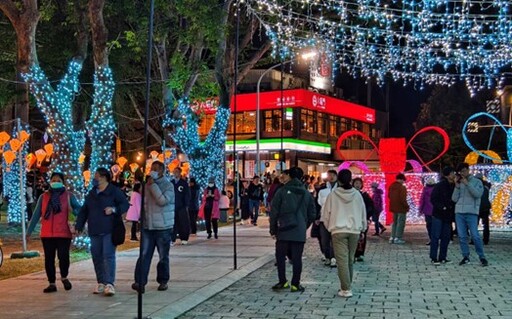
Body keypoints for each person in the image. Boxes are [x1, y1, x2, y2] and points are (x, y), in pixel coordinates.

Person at [75, 167, 129, 296]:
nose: (95, 178)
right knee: (97, 256)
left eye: (96, 175)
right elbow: (84, 211)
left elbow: (125, 204)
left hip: (109, 229)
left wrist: (114, 209)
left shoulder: (114, 191)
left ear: (104, 177)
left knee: (108, 255)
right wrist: (79, 225)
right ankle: (101, 282)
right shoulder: (92, 194)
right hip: (94, 229)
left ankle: (109, 283)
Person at [27, 172, 81, 293]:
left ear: (63, 182)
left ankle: (64, 277)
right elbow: (36, 215)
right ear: (50, 181)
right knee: (49, 259)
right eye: (53, 180)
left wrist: (74, 212)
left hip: (63, 233)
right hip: (47, 234)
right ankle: (52, 283)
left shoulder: (69, 196)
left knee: (64, 257)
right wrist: (29, 231)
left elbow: (79, 209)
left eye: (58, 180)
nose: (55, 182)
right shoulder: (44, 197)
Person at [321, 169, 367, 298]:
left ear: (339, 180)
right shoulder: (357, 195)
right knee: (349, 259)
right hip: (354, 231)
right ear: (351, 180)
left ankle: (346, 288)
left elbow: (326, 214)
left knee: (341, 260)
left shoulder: (333, 195)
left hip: (338, 230)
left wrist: (330, 227)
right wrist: (362, 228)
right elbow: (363, 213)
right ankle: (348, 284)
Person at [270, 167, 316, 293]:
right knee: (297, 258)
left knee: (280, 257)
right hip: (299, 230)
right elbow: (312, 213)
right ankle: (295, 284)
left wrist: (273, 229)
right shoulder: (306, 193)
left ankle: (282, 281)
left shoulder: (281, 191)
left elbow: (274, 212)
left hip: (283, 229)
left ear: (290, 176)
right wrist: (303, 224)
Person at [132, 161, 175, 293]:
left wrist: (153, 186)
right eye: (152, 168)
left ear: (162, 171)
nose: (153, 171)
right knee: (144, 255)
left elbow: (162, 201)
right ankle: (140, 282)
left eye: (156, 169)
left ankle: (163, 280)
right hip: (148, 226)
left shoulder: (168, 185)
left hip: (163, 227)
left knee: (163, 256)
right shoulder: (147, 185)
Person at [452, 163, 488, 266]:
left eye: (464, 171)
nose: (462, 173)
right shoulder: (460, 183)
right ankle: (465, 256)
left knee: (475, 235)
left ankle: (481, 256)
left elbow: (478, 194)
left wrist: (467, 184)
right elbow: (454, 199)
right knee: (462, 236)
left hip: (471, 212)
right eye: (460, 172)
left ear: (468, 170)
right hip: (459, 212)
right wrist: (457, 186)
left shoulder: (477, 182)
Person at [430, 167, 456, 265]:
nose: (454, 175)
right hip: (438, 214)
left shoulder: (454, 185)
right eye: (452, 173)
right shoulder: (439, 185)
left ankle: (442, 257)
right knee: (436, 236)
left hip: (448, 215)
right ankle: (434, 257)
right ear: (448, 175)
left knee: (446, 237)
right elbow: (433, 199)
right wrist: (442, 207)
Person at [316, 170, 338, 267]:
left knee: (335, 239)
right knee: (324, 239)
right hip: (323, 218)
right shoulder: (322, 189)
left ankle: (333, 257)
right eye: (330, 175)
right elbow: (318, 204)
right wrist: (316, 217)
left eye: (333, 175)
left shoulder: (340, 189)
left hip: (337, 218)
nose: (332, 177)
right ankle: (327, 256)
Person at [352, 177, 373, 262]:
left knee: (362, 237)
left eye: (359, 183)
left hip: (362, 219)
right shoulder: (350, 195)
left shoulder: (365, 195)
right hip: (352, 219)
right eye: (356, 183)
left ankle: (360, 254)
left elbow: (370, 207)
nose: (357, 185)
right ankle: (353, 253)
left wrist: (367, 217)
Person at [171, 167, 191, 245]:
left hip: (182, 206)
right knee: (173, 223)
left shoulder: (184, 183)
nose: (175, 173)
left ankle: (184, 238)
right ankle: (172, 239)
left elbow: (187, 194)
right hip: (172, 206)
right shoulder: (171, 183)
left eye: (177, 172)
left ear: (180, 173)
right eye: (174, 172)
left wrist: (186, 204)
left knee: (183, 223)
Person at [388, 173, 409, 244]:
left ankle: (392, 237)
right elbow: (403, 199)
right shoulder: (402, 187)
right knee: (401, 223)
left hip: (393, 207)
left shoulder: (391, 186)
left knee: (395, 222)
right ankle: (398, 237)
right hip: (401, 208)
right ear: (402, 179)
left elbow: (389, 196)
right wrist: (406, 206)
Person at [419, 178, 435, 245]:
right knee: (435, 225)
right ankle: (436, 238)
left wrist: (420, 210)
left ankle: (431, 239)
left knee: (429, 225)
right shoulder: (436, 190)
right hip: (435, 211)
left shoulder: (425, 190)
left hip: (427, 211)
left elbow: (422, 201)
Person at [476, 174, 491, 245]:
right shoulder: (486, 186)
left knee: (475, 225)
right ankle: (486, 239)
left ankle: (474, 239)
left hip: (478, 207)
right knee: (486, 225)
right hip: (485, 207)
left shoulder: (476, 186)